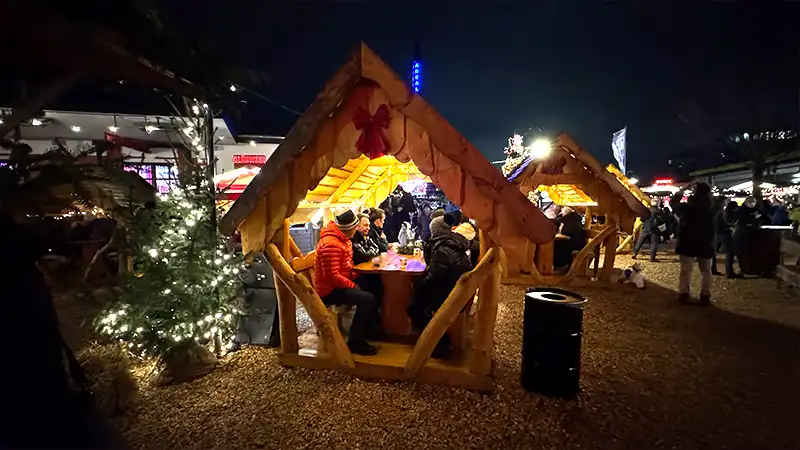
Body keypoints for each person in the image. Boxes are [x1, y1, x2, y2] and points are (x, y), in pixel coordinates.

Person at [313, 211, 379, 355]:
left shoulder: (343, 239)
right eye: (356, 226)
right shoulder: (331, 245)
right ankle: (355, 341)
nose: (357, 229)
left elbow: (346, 267)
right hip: (329, 291)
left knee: (374, 284)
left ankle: (369, 329)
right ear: (349, 228)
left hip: (338, 284)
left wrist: (357, 275)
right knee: (367, 299)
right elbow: (332, 277)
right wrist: (353, 285)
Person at [408, 214, 470, 358]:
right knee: (417, 297)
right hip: (454, 288)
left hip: (447, 293)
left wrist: (416, 284)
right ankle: (435, 340)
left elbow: (433, 280)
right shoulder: (451, 243)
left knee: (413, 308)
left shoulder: (442, 249)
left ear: (435, 230)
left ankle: (437, 342)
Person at [670, 183, 716, 304]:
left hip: (687, 241)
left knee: (686, 269)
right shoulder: (712, 208)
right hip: (705, 242)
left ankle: (684, 293)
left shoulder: (687, 208)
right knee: (706, 271)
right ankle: (705, 294)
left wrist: (682, 190)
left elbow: (673, 203)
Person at [713, 200, 742, 278]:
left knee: (714, 252)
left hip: (717, 233)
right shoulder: (721, 213)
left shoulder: (716, 211)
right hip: (723, 233)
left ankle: (713, 269)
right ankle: (730, 272)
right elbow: (724, 223)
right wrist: (731, 225)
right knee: (730, 252)